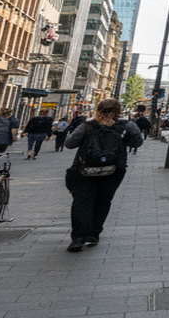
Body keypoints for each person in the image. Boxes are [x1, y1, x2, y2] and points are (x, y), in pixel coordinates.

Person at [63, 98, 143, 252]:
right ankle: (94, 234)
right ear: (118, 111)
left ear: (98, 109)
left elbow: (70, 144)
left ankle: (78, 238)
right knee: (103, 201)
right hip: (114, 170)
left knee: (82, 202)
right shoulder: (126, 126)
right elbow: (137, 143)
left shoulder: (87, 126)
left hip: (85, 170)